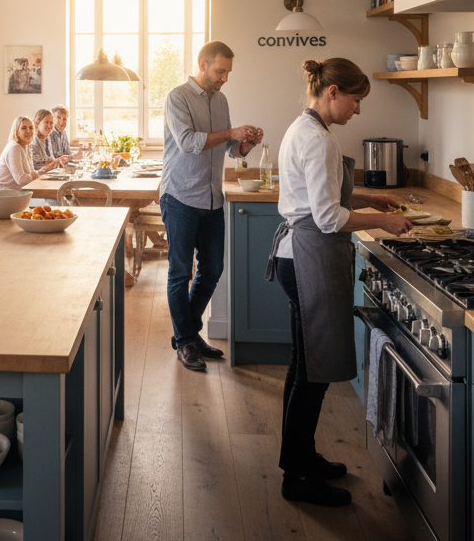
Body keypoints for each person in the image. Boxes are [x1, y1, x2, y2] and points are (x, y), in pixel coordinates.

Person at [267, 58, 412, 507]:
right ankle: (297, 477)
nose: (358, 110)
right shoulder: (319, 140)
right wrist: (383, 219)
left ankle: (302, 458)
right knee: (312, 374)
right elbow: (328, 216)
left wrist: (367, 196)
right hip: (309, 258)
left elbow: (321, 194)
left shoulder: (304, 129)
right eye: (356, 99)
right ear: (332, 92)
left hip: (298, 257)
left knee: (303, 367)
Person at [160, 40, 262, 372]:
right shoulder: (177, 97)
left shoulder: (222, 100)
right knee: (180, 273)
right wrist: (232, 131)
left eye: (228, 72)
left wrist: (244, 144)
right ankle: (187, 341)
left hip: (212, 198)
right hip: (180, 197)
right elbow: (189, 142)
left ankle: (186, 335)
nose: (225, 78)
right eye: (220, 71)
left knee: (213, 269)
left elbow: (230, 150)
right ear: (203, 65)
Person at [0, 115, 70, 190]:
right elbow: (21, 180)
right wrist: (38, 174)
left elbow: (31, 174)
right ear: (16, 131)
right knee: (52, 200)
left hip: (17, 194)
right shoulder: (14, 147)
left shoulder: (25, 147)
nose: (28, 131)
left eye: (31, 128)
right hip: (4, 196)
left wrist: (41, 171)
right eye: (24, 128)